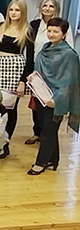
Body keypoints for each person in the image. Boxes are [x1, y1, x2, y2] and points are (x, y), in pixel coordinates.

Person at [27, 18, 79, 175]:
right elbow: (39, 69)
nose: (51, 34)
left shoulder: (69, 55)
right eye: (49, 30)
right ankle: (53, 160)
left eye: (56, 31)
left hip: (56, 99)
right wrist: (33, 76)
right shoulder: (45, 48)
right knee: (46, 129)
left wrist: (56, 100)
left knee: (48, 132)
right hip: (41, 95)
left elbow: (69, 82)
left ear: (64, 34)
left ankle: (40, 163)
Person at [0, 0, 34, 141]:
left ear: (23, 12)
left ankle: (5, 140)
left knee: (10, 108)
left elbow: (30, 59)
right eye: (11, 9)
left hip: (15, 70)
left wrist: (22, 81)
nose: (13, 13)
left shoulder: (27, 30)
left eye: (17, 10)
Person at [27, 0, 75, 145]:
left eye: (51, 6)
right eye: (45, 5)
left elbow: (68, 52)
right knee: (37, 108)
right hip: (39, 74)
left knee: (49, 121)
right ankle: (38, 133)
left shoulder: (63, 27)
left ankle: (45, 141)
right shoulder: (35, 26)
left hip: (56, 76)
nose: (47, 8)